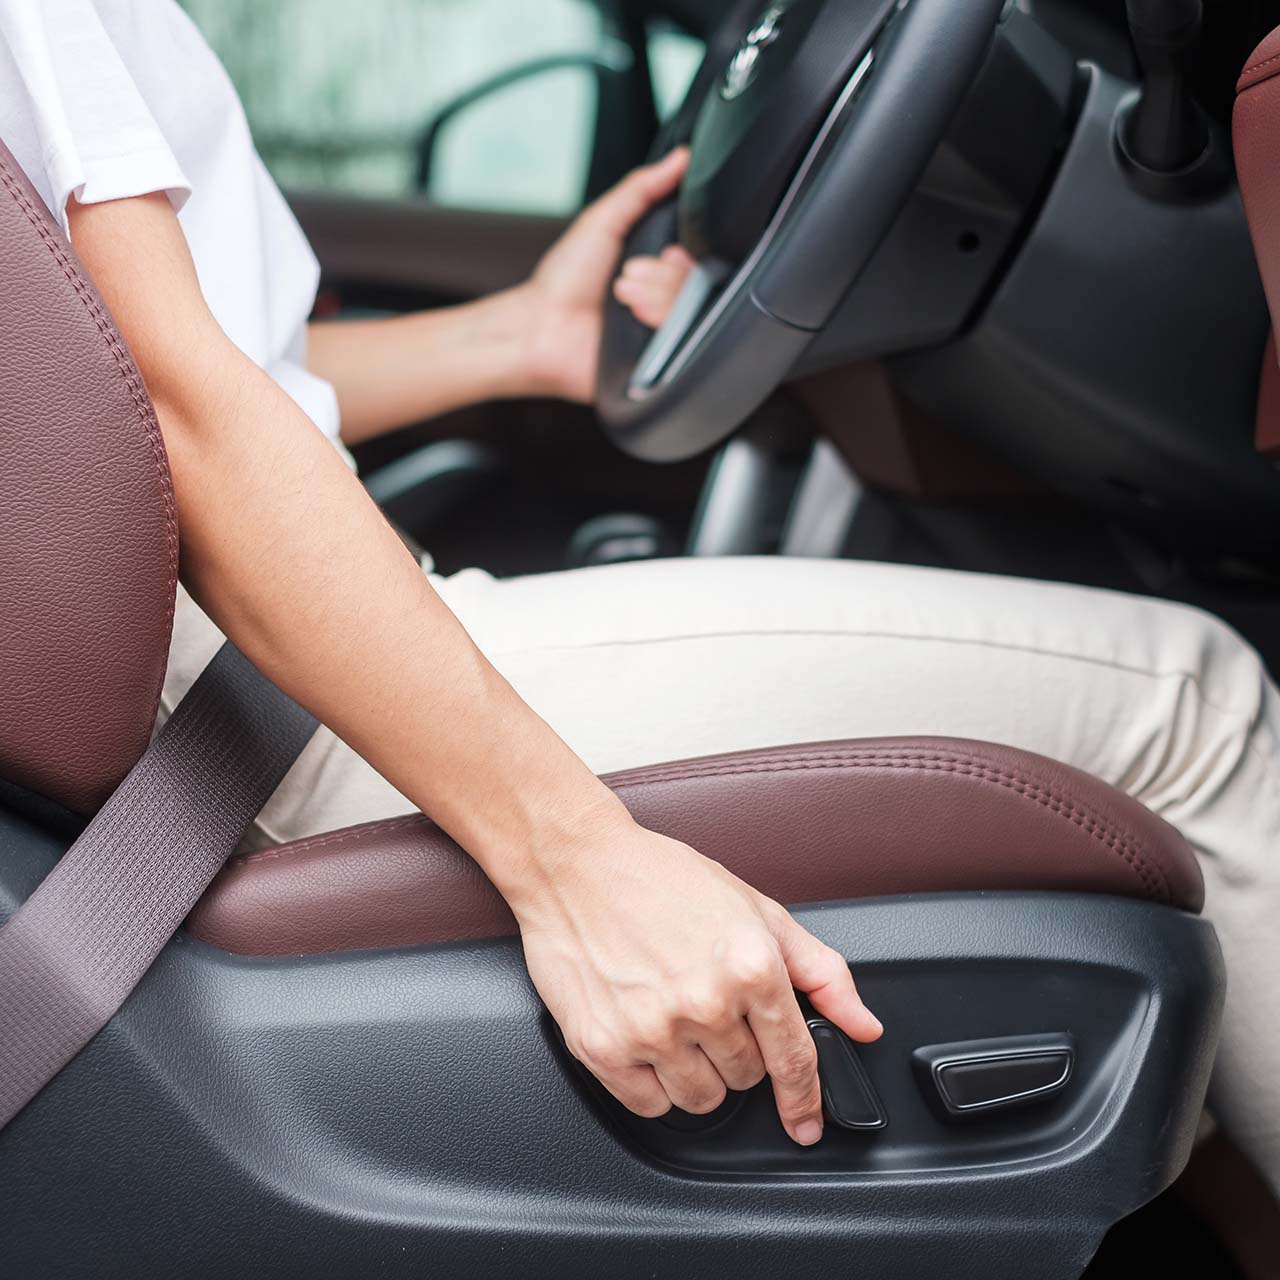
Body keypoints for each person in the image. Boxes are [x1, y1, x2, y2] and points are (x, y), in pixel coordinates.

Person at [3, 0, 1278, 1193]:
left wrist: (517, 337)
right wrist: (576, 861)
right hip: (245, 710)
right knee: (1193, 705)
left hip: (224, 678)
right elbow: (176, 416)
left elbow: (141, 382)